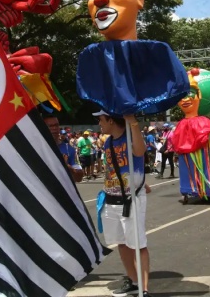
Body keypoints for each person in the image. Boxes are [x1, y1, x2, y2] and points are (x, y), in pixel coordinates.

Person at [94, 110, 152, 297]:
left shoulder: (130, 137)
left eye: (101, 120)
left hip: (131, 199)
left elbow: (140, 151)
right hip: (111, 198)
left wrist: (131, 120)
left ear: (111, 119)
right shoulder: (108, 141)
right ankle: (133, 280)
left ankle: (144, 289)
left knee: (138, 244)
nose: (99, 124)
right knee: (121, 243)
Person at [44, 116, 84, 182]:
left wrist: (66, 166)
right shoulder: (37, 148)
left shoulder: (69, 149)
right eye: (50, 126)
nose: (54, 128)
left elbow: (79, 178)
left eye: (56, 125)